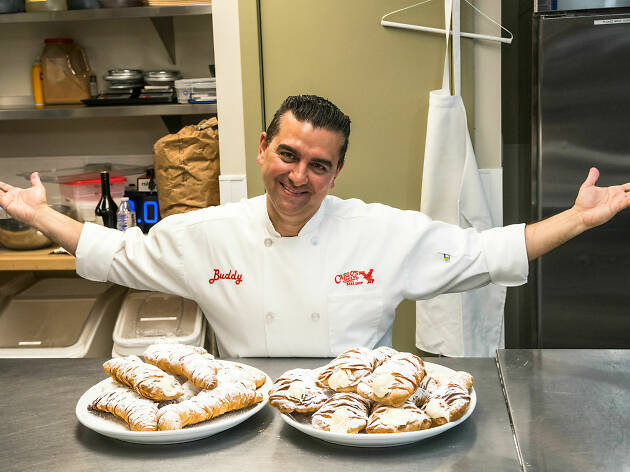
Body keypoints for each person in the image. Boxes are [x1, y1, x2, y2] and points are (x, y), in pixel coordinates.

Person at [1, 95, 630, 357]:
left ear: (338, 171)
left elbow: (484, 253)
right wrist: (40, 214)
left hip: (358, 421)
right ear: (263, 149)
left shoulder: (378, 233)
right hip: (247, 418)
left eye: (319, 165)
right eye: (289, 156)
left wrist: (575, 220)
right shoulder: (210, 233)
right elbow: (118, 255)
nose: (300, 176)